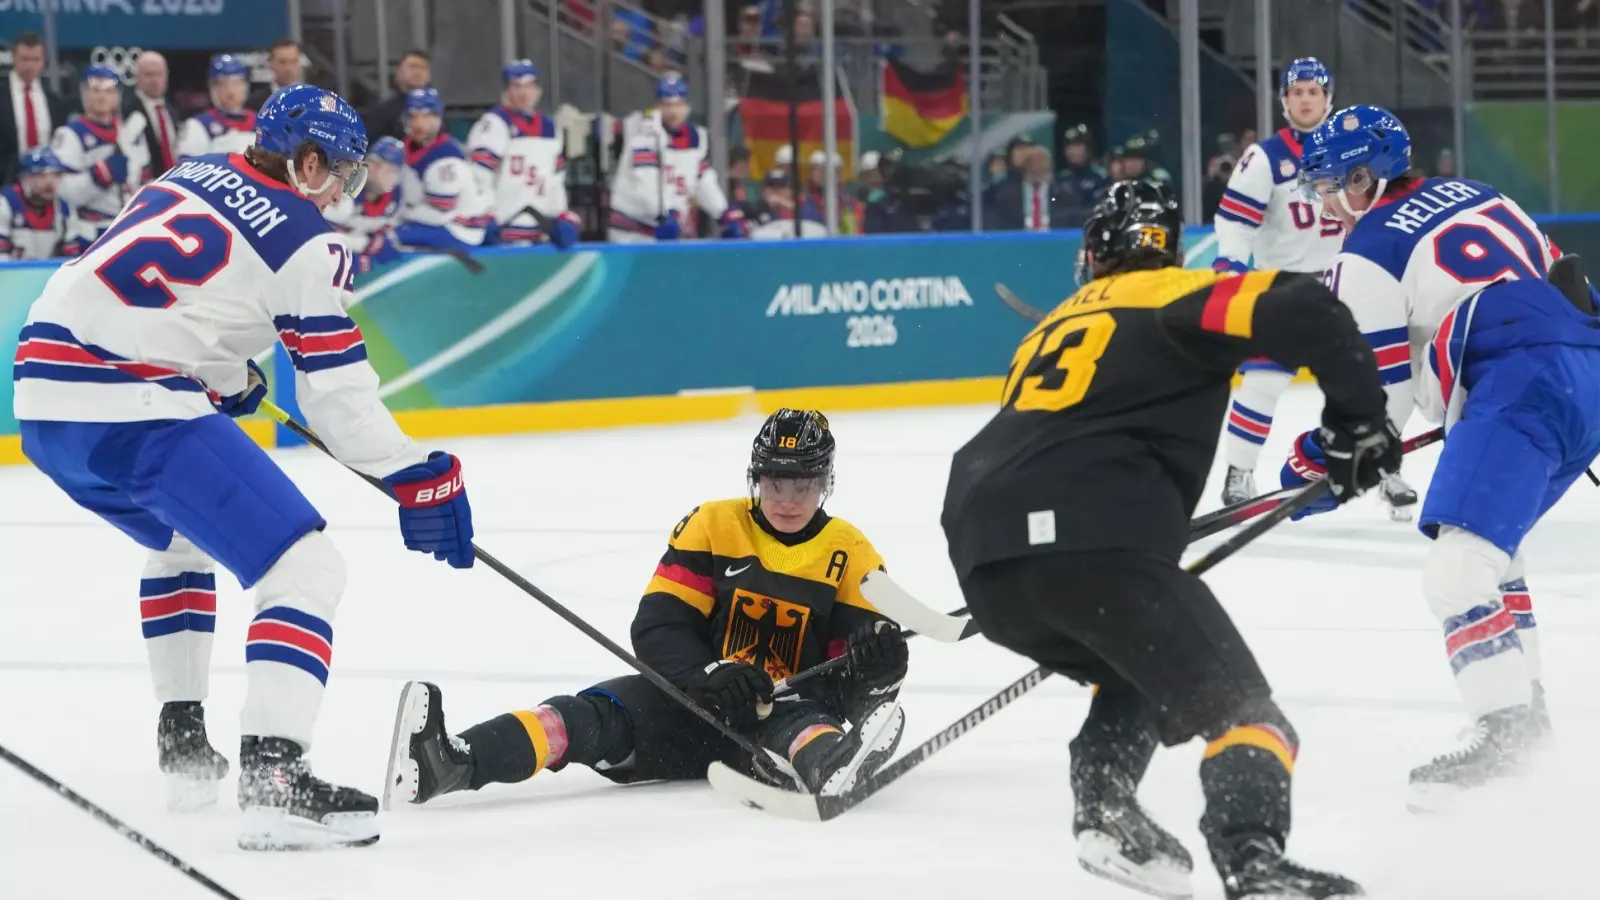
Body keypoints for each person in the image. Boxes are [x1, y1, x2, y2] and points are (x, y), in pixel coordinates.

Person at [13, 84, 475, 851]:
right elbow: (337, 398)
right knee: (308, 570)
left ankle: (183, 739)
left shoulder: (190, 170)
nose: (343, 194)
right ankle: (276, 780)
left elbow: (167, 296)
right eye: (341, 173)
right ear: (308, 160)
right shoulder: (310, 242)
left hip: (42, 398)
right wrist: (416, 470)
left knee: (176, 541)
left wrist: (227, 377)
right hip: (131, 399)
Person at [941, 180, 1396, 900]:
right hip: (1092, 547)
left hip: (983, 552)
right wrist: (1361, 423)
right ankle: (1254, 861)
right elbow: (1304, 306)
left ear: (1093, 254)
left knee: (1132, 674)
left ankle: (1105, 810)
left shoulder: (1049, 326)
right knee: (1247, 714)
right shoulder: (1174, 293)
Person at [1292, 104, 1596, 806]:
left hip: (1520, 384)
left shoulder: (1368, 247)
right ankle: (1528, 711)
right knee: (1495, 555)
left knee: (1458, 572)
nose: (1324, 202)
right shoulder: (1488, 194)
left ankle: (1506, 733)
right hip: (1584, 372)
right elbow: (1573, 288)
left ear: (1367, 179)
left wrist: (1311, 466)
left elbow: (1380, 407)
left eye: (1331, 185)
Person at [386, 409, 908, 805]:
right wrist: (709, 672)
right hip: (691, 704)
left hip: (782, 717)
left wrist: (879, 668)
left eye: (803, 485)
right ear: (755, 478)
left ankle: (829, 767)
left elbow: (852, 692)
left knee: (806, 728)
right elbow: (659, 624)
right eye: (775, 483)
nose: (788, 499)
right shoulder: (713, 525)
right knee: (581, 716)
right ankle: (450, 762)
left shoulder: (853, 554)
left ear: (826, 484)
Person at [1211, 58, 1417, 517]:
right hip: (1285, 288)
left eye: (1314, 91)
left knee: (1373, 378)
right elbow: (1235, 222)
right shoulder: (1264, 158)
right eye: (1297, 92)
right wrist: (1229, 268)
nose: (1306, 99)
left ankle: (1386, 468)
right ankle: (1239, 472)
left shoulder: (1355, 148)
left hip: (1352, 278)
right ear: (1284, 101)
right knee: (1263, 381)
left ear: (1328, 99)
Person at [607, 75, 747, 243]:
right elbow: (647, 184)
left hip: (668, 226)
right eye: (668, 105)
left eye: (678, 105)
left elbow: (703, 182)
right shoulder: (645, 136)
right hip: (632, 231)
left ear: (687, 106)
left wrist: (723, 213)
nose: (673, 112)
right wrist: (669, 212)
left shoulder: (696, 138)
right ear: (658, 106)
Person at [467, 59, 581, 248]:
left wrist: (560, 213)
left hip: (540, 233)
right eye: (517, 86)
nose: (524, 92)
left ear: (538, 89)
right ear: (506, 89)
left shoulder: (550, 127)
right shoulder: (493, 124)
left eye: (529, 86)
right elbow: (479, 178)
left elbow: (555, 180)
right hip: (503, 231)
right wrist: (483, 214)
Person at [52, 66, 150, 236]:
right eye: (95, 90)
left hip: (129, 225)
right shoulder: (70, 134)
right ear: (84, 93)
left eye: (108, 91)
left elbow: (145, 179)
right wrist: (98, 176)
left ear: (117, 95)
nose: (102, 97)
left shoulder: (131, 132)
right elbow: (63, 191)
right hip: (90, 230)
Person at [397, 86, 490, 249]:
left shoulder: (446, 157)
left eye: (426, 116)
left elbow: (441, 213)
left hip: (460, 230)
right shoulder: (406, 147)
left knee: (391, 238)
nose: (419, 123)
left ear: (438, 118)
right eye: (414, 117)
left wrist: (402, 213)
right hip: (432, 221)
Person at [324, 135, 406, 271]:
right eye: (375, 163)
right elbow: (318, 236)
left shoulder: (397, 195)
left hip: (355, 243)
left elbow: (385, 235)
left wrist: (374, 242)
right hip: (328, 250)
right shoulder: (345, 188)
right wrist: (363, 244)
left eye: (389, 170)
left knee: (392, 257)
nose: (378, 172)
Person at [0, 31, 69, 187]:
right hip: (7, 187)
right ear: (13, 58)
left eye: (35, 59)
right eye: (24, 59)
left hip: (47, 188)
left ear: (43, 61)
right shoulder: (2, 97)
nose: (30, 65)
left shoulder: (54, 101)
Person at [0, 146, 93, 259]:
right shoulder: (5, 203)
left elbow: (70, 257)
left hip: (48, 274)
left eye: (55, 175)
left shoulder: (64, 209)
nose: (49, 182)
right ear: (25, 177)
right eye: (41, 175)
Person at [177, 54, 258, 161]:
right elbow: (186, 167)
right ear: (213, 88)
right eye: (223, 84)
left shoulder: (261, 123)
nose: (230, 91)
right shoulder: (199, 124)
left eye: (237, 83)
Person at [122, 50, 179, 179]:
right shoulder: (127, 111)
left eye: (159, 74)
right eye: (149, 74)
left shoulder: (173, 111)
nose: (155, 80)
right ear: (137, 76)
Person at [365, 49, 432, 142]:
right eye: (413, 67)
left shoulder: (436, 109)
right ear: (399, 72)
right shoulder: (384, 111)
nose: (418, 72)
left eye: (423, 67)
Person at [1053, 123, 1109, 228]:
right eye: (1069, 147)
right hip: (1064, 234)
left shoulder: (1101, 178)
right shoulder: (1060, 179)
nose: (1073, 151)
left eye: (1078, 146)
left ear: (1088, 148)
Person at [249, 39, 307, 108]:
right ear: (271, 64)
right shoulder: (255, 103)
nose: (288, 68)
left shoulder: (312, 99)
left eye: (293, 61)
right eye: (282, 62)